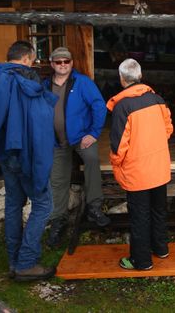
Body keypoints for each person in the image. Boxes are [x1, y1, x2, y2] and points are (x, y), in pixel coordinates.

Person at [0, 40, 58, 282]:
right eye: (32, 59)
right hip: (25, 152)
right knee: (43, 205)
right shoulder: (28, 80)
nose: (33, 63)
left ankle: (14, 261)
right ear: (26, 58)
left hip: (5, 153)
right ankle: (27, 262)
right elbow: (36, 122)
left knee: (13, 204)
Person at [107, 58, 174, 271]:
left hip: (137, 172)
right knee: (158, 210)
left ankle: (141, 260)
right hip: (159, 167)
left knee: (139, 217)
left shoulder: (122, 106)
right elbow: (168, 130)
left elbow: (118, 147)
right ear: (140, 76)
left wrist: (116, 166)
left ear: (121, 79)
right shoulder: (158, 100)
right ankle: (161, 248)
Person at [44, 46, 110, 247]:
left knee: (92, 160)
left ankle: (94, 206)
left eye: (66, 61)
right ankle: (58, 220)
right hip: (56, 140)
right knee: (57, 179)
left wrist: (93, 133)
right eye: (58, 62)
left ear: (72, 63)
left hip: (82, 137)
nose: (62, 65)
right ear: (52, 64)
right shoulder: (45, 85)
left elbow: (99, 106)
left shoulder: (82, 83)